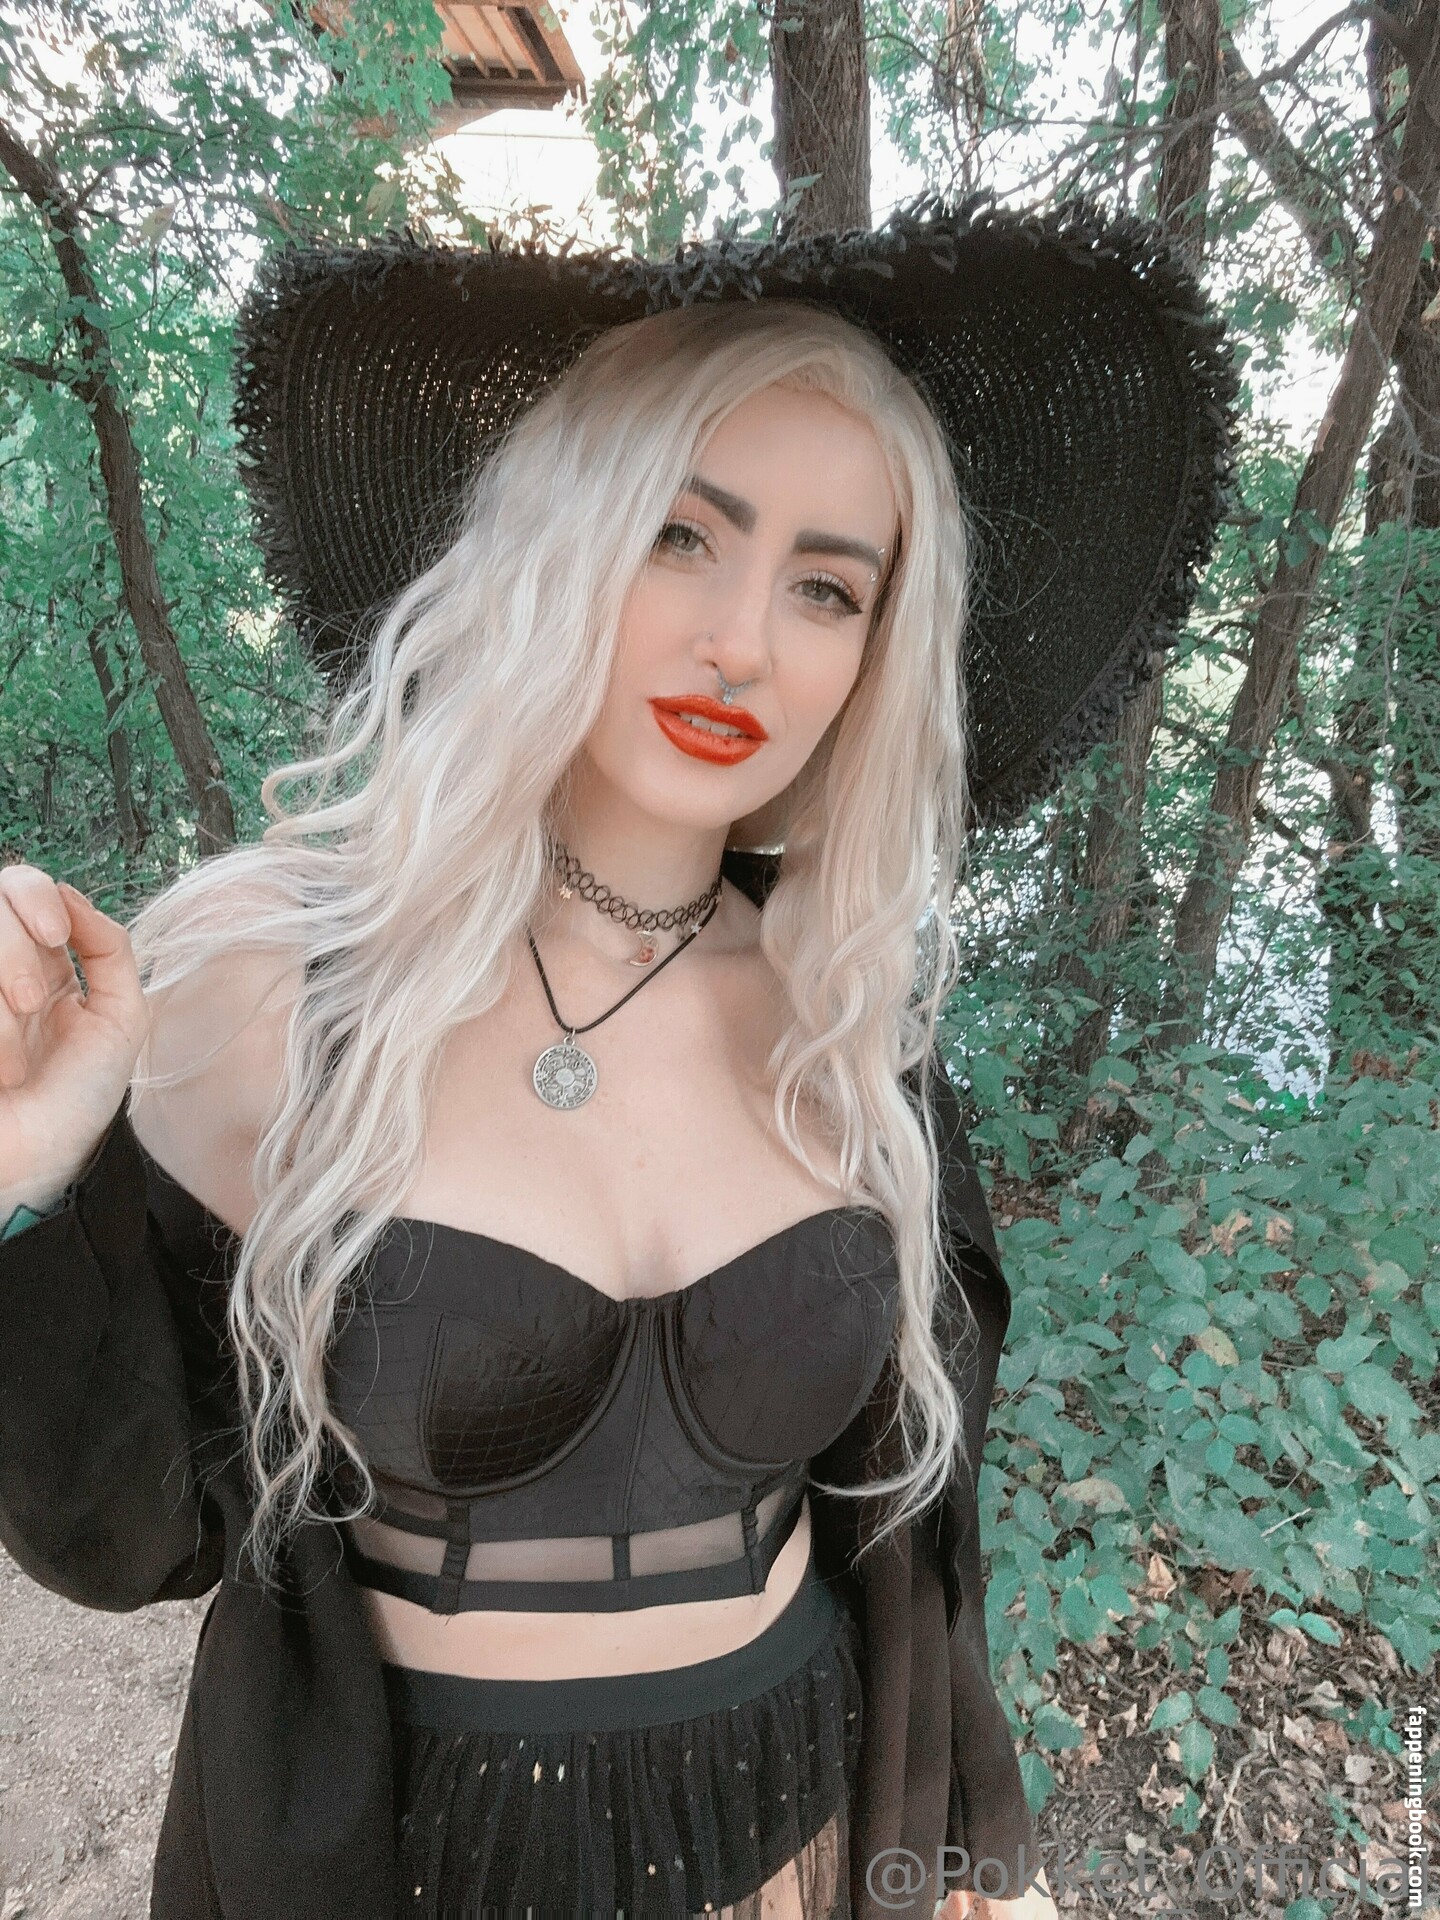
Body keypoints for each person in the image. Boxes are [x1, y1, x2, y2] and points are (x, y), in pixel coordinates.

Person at [0, 195, 1236, 1919]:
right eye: (681, 535)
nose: (744, 640)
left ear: (872, 656)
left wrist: (967, 1858)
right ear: (557, 544)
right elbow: (121, 1532)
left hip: (795, 1838)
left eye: (826, 586)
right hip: (413, 1865)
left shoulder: (847, 1035)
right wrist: (25, 1175)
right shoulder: (278, 982)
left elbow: (913, 1541)